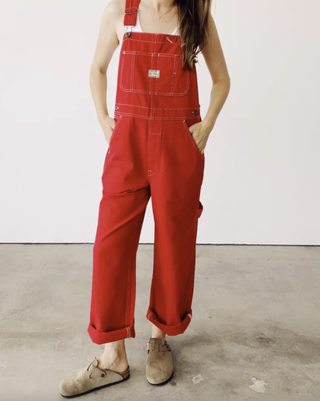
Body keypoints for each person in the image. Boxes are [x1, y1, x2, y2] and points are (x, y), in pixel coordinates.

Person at [59, 0, 230, 397]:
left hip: (178, 149)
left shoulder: (195, 15)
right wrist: (104, 120)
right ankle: (112, 356)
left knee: (173, 244)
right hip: (128, 146)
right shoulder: (120, 10)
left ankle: (159, 339)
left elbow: (222, 80)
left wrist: (205, 129)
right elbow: (98, 68)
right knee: (110, 246)